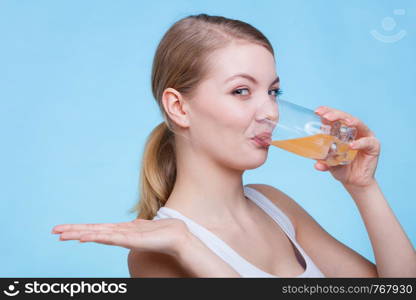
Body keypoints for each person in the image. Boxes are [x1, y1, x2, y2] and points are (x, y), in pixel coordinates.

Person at [51, 14, 416, 278]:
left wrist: (363, 187)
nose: (271, 112)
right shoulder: (158, 254)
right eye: (241, 91)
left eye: (273, 91)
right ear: (179, 107)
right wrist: (191, 249)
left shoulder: (274, 206)